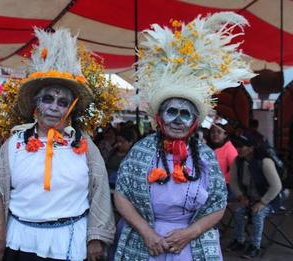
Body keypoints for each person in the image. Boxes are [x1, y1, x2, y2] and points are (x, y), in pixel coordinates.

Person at [114, 12, 255, 260]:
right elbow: (121, 195)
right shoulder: (142, 150)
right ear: (159, 117)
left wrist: (191, 232)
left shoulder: (206, 156)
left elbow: (218, 204)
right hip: (147, 243)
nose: (178, 120)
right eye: (172, 112)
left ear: (195, 122)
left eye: (185, 114)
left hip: (191, 244)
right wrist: (146, 232)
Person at [0, 28, 115, 261]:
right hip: (19, 241)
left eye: (62, 102)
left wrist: (95, 239)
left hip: (69, 242)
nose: (54, 107)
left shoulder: (85, 146)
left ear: (70, 109)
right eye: (48, 99)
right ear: (36, 104)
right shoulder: (15, 144)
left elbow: (100, 192)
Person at [226, 132, 283, 259]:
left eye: (242, 146)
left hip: (270, 200)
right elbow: (233, 181)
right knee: (238, 211)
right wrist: (241, 196)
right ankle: (239, 240)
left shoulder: (265, 162)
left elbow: (277, 187)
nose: (238, 149)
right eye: (237, 146)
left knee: (258, 213)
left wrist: (262, 203)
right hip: (249, 198)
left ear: (251, 148)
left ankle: (255, 246)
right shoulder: (238, 161)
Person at [207, 117, 238, 185]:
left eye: (219, 132)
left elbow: (235, 170)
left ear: (225, 135)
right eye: (212, 132)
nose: (215, 134)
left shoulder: (229, 149)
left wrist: (222, 179)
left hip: (225, 187)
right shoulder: (206, 148)